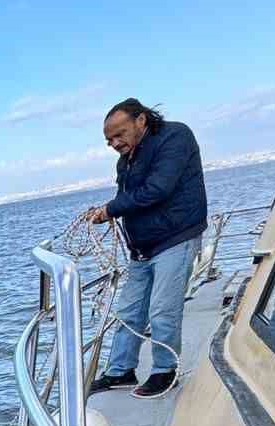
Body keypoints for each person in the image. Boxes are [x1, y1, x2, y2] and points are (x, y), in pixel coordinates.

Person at [86, 99, 207, 398]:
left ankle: (165, 372)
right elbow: (128, 196)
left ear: (141, 120)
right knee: (128, 311)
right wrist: (110, 212)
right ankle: (120, 371)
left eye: (119, 134)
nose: (114, 143)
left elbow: (158, 188)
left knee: (163, 309)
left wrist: (110, 209)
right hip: (142, 249)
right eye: (109, 140)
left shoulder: (176, 136)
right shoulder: (124, 160)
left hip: (175, 238)